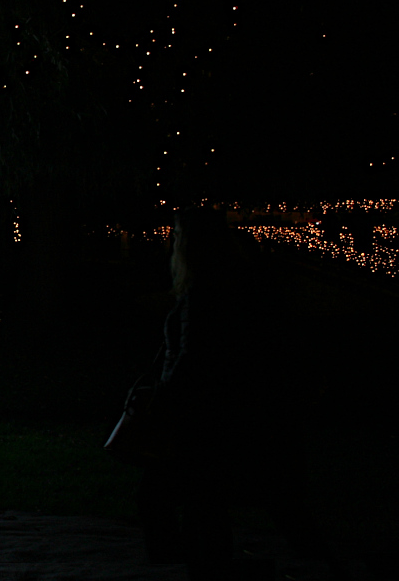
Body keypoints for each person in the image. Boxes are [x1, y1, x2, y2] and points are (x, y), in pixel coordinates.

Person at [137, 208, 344, 581]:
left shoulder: (205, 291)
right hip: (235, 408)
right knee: (225, 496)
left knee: (187, 494)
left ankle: (194, 560)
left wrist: (164, 397)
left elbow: (193, 353)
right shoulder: (238, 284)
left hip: (205, 411)